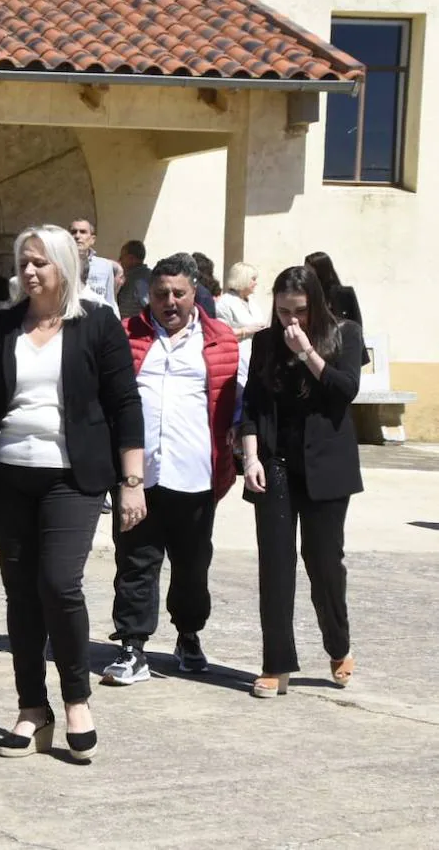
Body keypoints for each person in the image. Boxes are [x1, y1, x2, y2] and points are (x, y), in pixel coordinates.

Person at [0, 224, 144, 761]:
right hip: (11, 475)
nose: (28, 272)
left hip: (73, 476)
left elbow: (124, 404)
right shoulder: (2, 324)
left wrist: (132, 481)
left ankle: (76, 698)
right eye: (24, 262)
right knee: (20, 595)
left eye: (40, 263)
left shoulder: (97, 324)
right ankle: (31, 709)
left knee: (59, 584)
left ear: (65, 267)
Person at [101, 254, 239, 685]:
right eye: (161, 294)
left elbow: (234, 405)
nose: (170, 302)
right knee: (136, 563)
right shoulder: (127, 336)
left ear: (194, 292)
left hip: (196, 476)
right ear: (149, 295)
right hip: (139, 477)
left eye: (178, 293)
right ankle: (132, 647)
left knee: (192, 568)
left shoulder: (221, 340)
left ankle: (189, 635)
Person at [240, 265, 363, 698]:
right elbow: (252, 405)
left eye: (300, 311)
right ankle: (276, 664)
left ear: (316, 306)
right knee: (275, 563)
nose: (291, 321)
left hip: (327, 467)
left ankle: (337, 644)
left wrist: (310, 352)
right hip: (275, 464)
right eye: (283, 312)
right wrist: (251, 456)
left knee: (323, 560)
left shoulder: (345, 335)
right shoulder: (265, 343)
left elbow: (345, 390)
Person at [70, 218, 121, 309]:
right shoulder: (60, 264)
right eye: (73, 232)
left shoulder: (105, 266)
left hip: (98, 319)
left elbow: (110, 300)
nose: (77, 236)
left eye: (83, 232)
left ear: (92, 239)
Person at [304, 251, 363, 328]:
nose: (306, 274)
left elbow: (357, 323)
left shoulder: (344, 293)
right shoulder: (307, 293)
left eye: (309, 271)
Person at [217, 262, 266, 340]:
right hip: (236, 350)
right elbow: (219, 333)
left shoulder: (252, 302)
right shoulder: (225, 302)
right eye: (253, 279)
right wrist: (245, 331)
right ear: (243, 279)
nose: (256, 283)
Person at [116, 240, 153, 319]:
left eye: (122, 257)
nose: (120, 261)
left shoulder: (142, 280)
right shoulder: (130, 277)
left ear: (131, 259)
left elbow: (150, 308)